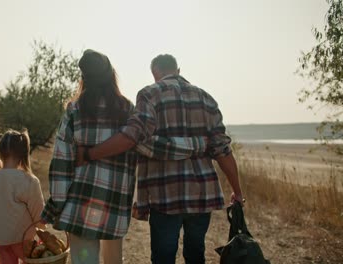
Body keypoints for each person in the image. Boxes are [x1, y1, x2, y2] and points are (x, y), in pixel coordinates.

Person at [41, 50, 207, 264]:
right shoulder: (128, 110)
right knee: (114, 260)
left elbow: (61, 163)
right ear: (112, 75)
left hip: (80, 203)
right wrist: (198, 145)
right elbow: (152, 147)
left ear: (84, 78)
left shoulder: (75, 110)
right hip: (114, 204)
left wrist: (57, 204)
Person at [77, 54, 244, 264]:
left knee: (163, 258)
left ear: (155, 74)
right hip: (202, 195)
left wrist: (89, 154)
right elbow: (223, 150)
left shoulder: (149, 94)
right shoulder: (206, 99)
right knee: (196, 254)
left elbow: (131, 137)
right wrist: (237, 192)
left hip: (165, 197)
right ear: (178, 70)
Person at [0, 129, 45, 264]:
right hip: (21, 237)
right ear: (23, 153)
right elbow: (39, 215)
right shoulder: (29, 180)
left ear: (0, 151)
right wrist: (42, 232)